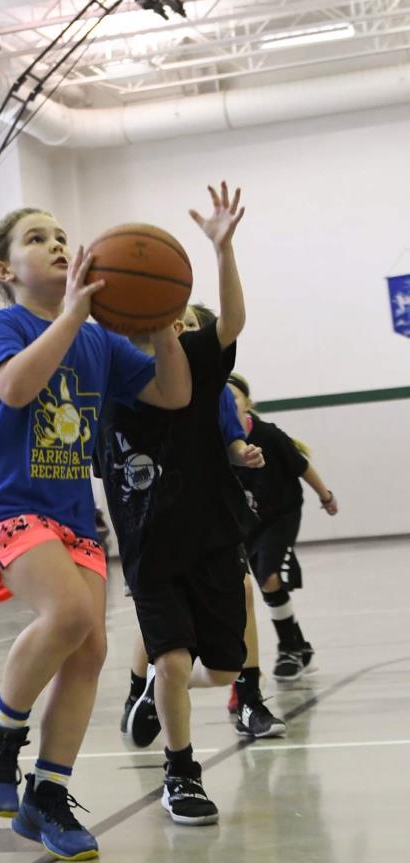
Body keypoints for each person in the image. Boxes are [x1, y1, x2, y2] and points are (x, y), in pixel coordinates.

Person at [0, 206, 191, 861]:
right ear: (5, 271)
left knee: (88, 652)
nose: (57, 245)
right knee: (65, 614)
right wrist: (71, 316)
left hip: (68, 515)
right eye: (38, 240)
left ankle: (46, 798)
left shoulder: (101, 340)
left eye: (62, 236)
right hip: (2, 503)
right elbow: (14, 389)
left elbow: (170, 397)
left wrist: (162, 326)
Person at [96, 182, 274, 827]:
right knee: (172, 657)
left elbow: (231, 322)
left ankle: (152, 690)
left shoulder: (199, 359)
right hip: (149, 543)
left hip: (214, 533)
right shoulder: (104, 365)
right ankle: (181, 771)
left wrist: (222, 251)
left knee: (223, 667)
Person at [121, 303, 285, 744]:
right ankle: (145, 689)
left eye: (195, 328)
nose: (188, 334)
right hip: (152, 529)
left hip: (211, 518)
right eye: (184, 326)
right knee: (163, 633)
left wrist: (241, 452)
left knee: (241, 595)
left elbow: (232, 438)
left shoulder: (213, 389)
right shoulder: (128, 387)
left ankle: (240, 691)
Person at [228, 373, 339, 682]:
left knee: (269, 577)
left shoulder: (269, 435)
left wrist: (326, 496)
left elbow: (302, 466)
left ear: (247, 404)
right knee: (265, 585)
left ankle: (289, 648)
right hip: (249, 522)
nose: (227, 402)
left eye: (233, 396)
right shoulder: (219, 440)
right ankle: (299, 646)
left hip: (281, 514)